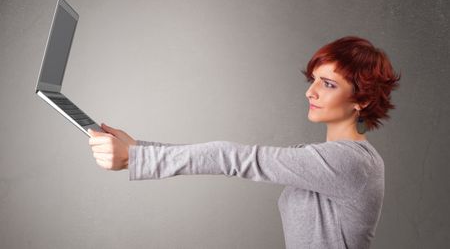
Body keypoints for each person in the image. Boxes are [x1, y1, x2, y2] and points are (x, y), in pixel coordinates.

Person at [88, 36, 401, 249]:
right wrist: (137, 149)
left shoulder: (352, 162)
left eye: (328, 84)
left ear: (362, 99)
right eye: (314, 80)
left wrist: (135, 159)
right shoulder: (320, 159)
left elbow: (232, 157)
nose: (311, 91)